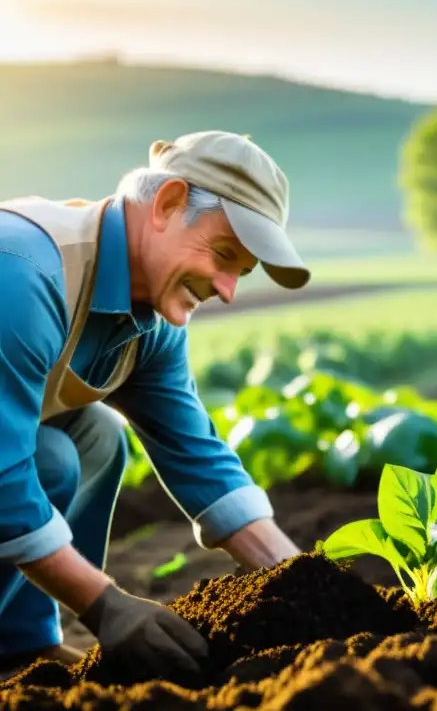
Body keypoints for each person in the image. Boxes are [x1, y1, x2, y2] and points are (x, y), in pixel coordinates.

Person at [0, 131, 311, 680]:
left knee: (95, 437)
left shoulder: (152, 323)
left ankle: (20, 645)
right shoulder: (24, 272)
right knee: (47, 459)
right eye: (223, 256)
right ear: (167, 204)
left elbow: (198, 455)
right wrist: (105, 604)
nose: (228, 289)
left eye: (242, 271)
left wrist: (306, 588)